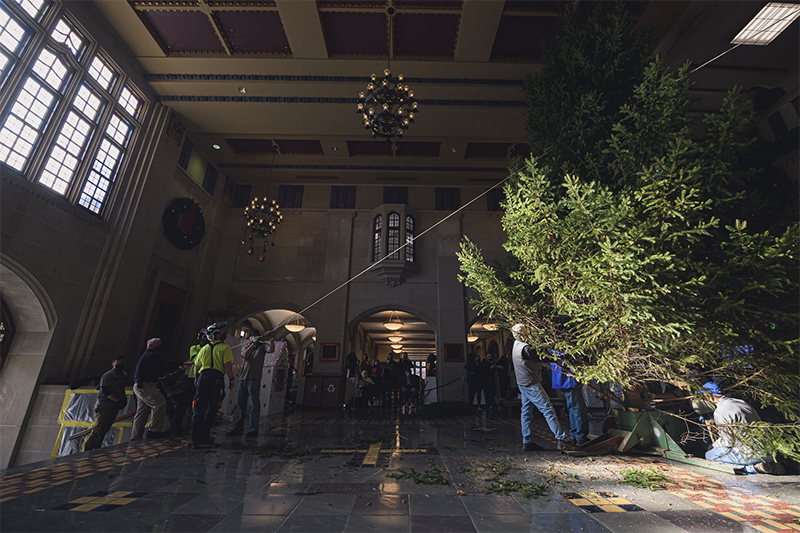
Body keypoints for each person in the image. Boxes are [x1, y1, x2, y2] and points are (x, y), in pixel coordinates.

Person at [510, 324, 574, 451]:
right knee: (548, 410)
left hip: (522, 384)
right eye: (527, 332)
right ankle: (562, 439)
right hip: (531, 384)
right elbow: (544, 358)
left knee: (526, 413)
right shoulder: (526, 349)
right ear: (523, 334)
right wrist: (562, 356)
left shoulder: (516, 345)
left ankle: (527, 440)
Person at [701, 382, 784, 475]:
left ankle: (752, 468)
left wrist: (713, 445)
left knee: (710, 455)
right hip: (768, 452)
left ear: (708, 396)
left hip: (752, 454)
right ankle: (767, 464)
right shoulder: (740, 402)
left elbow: (728, 442)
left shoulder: (720, 412)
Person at [132, 338, 190, 440]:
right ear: (150, 346)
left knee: (142, 412)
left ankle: (135, 437)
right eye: (157, 344)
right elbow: (164, 363)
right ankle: (154, 431)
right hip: (146, 385)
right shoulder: (151, 355)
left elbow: (161, 367)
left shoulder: (148, 357)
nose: (160, 346)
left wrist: (177, 367)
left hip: (140, 386)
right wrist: (182, 363)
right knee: (160, 403)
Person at [189, 322, 235, 449]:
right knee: (213, 406)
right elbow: (227, 365)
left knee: (199, 407)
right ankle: (205, 434)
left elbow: (196, 365)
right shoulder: (225, 348)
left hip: (202, 378)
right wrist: (231, 378)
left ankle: (194, 438)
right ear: (217, 335)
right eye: (220, 332)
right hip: (216, 379)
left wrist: (196, 379)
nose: (222, 333)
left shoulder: (204, 349)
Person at [228, 331, 273, 438]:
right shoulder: (246, 346)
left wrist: (271, 339)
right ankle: (238, 427)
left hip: (254, 379)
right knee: (241, 404)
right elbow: (244, 355)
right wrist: (252, 344)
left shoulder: (262, 347)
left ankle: (253, 429)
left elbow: (271, 350)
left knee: (254, 404)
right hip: (243, 379)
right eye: (252, 336)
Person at [84, 357, 128, 450]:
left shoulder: (123, 375)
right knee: (98, 428)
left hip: (114, 407)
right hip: (105, 406)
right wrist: (117, 400)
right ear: (113, 364)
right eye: (118, 363)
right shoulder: (108, 375)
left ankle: (97, 448)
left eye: (122, 362)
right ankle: (87, 449)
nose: (120, 364)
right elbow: (106, 390)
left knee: (105, 429)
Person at [550, 356, 589, 446]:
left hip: (562, 380)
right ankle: (581, 437)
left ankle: (575, 436)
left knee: (572, 408)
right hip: (568, 380)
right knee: (578, 409)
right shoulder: (563, 350)